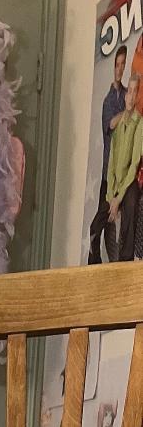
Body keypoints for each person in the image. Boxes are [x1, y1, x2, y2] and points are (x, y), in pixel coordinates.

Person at [87, 43, 127, 264]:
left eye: (122, 65)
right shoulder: (109, 101)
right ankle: (92, 263)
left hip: (123, 176)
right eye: (117, 65)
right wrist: (127, 111)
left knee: (113, 232)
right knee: (98, 226)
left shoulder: (127, 95)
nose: (120, 69)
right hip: (107, 175)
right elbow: (111, 124)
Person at [106, 72, 143, 261]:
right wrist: (111, 195)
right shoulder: (119, 125)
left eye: (135, 92)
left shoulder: (139, 123)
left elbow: (134, 163)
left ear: (137, 97)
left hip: (129, 182)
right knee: (100, 218)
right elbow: (112, 164)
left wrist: (118, 197)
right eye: (130, 91)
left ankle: (125, 259)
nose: (131, 96)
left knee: (131, 202)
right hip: (116, 183)